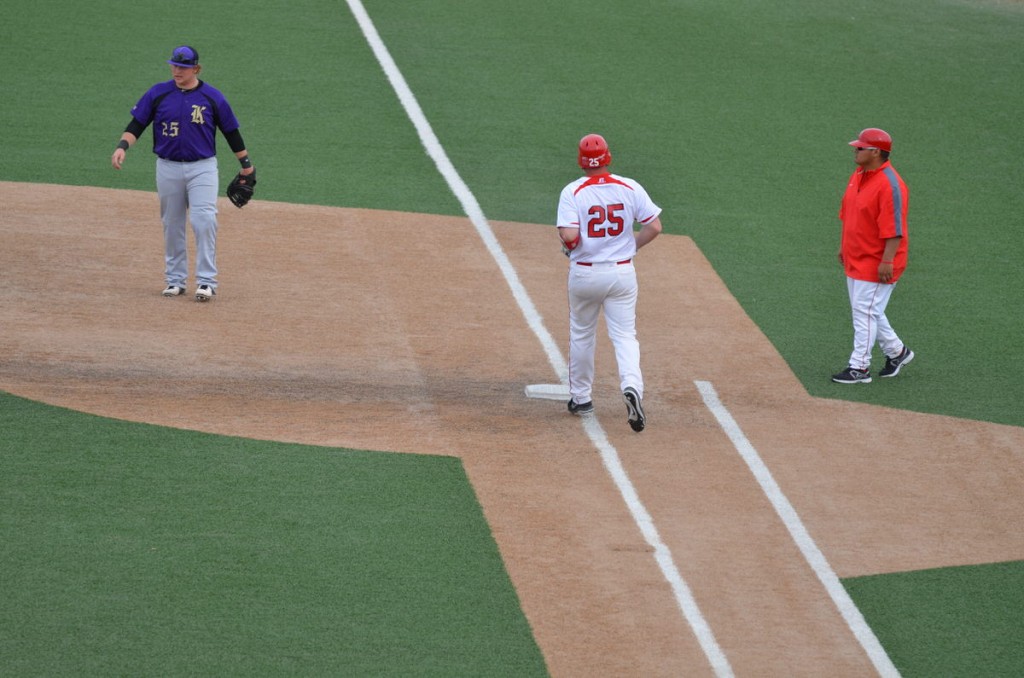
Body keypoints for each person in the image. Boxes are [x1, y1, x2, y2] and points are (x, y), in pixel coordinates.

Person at [111, 45, 256, 302]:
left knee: (204, 220)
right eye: (174, 66)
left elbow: (231, 132)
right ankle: (175, 280)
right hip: (167, 167)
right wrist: (123, 146)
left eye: (183, 67)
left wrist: (246, 165)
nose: (177, 70)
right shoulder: (158, 93)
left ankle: (206, 281)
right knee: (172, 223)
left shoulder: (212, 97)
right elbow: (137, 123)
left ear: (196, 69)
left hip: (202, 168)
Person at [556, 134, 663, 431]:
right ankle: (632, 387)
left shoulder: (573, 191)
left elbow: (569, 235)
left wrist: (571, 245)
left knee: (582, 334)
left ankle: (581, 398)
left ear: (581, 161)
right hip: (622, 273)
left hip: (585, 274)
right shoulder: (630, 187)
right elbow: (654, 226)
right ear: (608, 157)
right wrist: (632, 247)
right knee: (625, 336)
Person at [832, 127, 914, 384]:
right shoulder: (859, 175)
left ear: (876, 152)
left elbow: (895, 229)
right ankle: (897, 352)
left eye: (860, 147)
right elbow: (850, 214)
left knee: (864, 312)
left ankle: (859, 367)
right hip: (856, 255)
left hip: (878, 260)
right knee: (868, 310)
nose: (855, 151)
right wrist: (844, 246)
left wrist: (887, 260)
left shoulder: (891, 185)